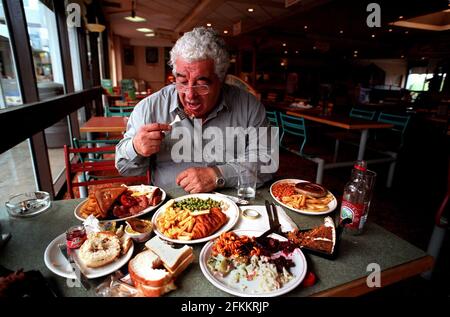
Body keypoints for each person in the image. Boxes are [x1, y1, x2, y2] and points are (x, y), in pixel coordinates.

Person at [115, 27, 274, 193]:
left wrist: (218, 175)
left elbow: (268, 162)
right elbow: (124, 168)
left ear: (221, 79)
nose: (190, 95)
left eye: (201, 84)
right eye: (182, 82)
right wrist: (136, 148)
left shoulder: (250, 106)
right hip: (169, 212)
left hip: (234, 207)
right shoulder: (149, 108)